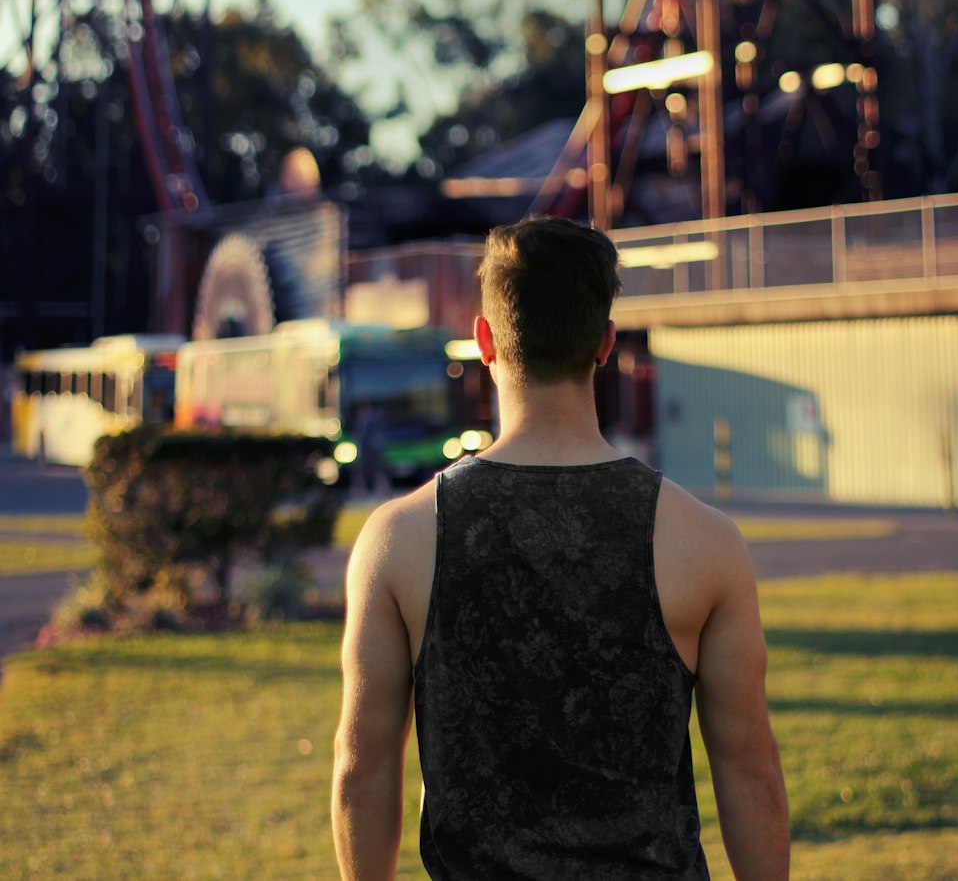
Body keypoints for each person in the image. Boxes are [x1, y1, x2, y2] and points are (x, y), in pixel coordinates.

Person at [332, 216, 789, 881]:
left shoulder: (399, 539)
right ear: (605, 343)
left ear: (484, 339)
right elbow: (750, 769)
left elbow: (361, 769)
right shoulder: (703, 541)